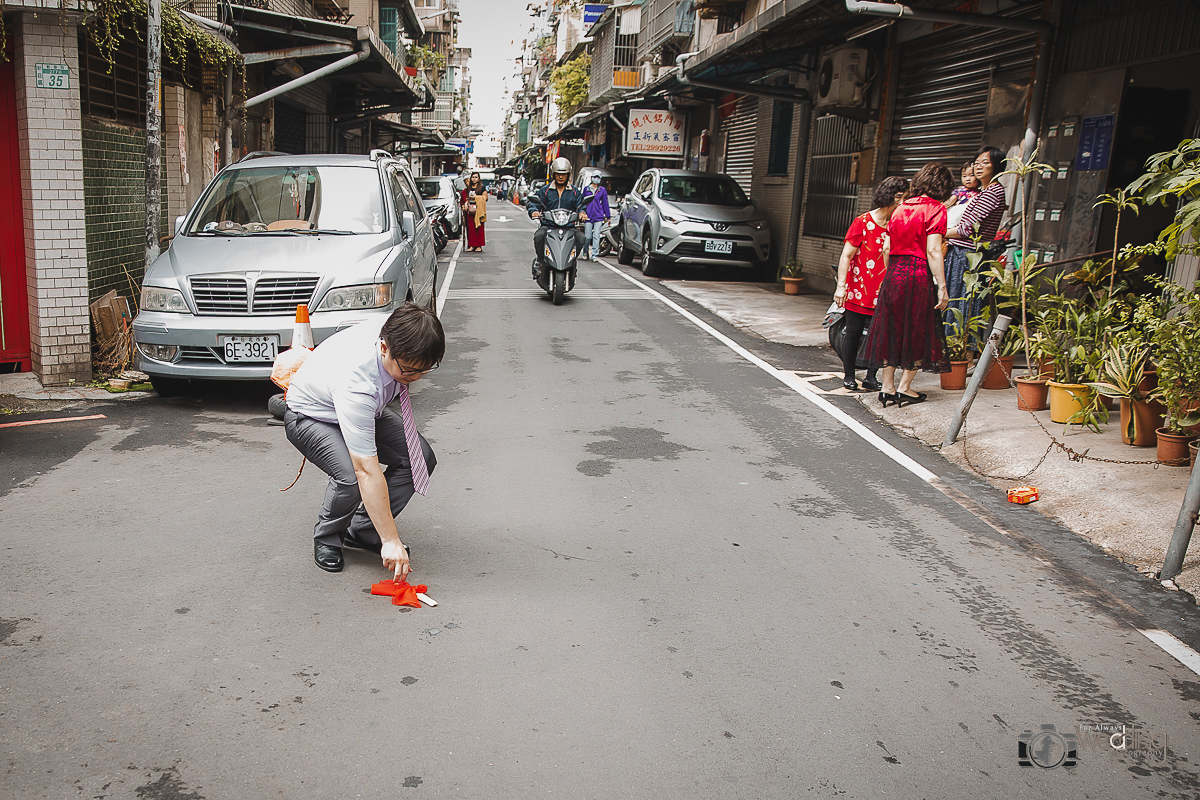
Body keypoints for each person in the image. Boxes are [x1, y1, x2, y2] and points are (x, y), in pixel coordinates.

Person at [283, 303, 445, 576]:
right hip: (312, 415)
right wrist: (392, 540)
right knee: (350, 475)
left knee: (420, 458)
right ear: (384, 348)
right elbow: (366, 471)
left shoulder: (398, 327)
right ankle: (328, 536)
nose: (415, 378)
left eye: (424, 371)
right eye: (409, 370)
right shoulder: (358, 385)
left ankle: (363, 529)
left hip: (365, 409)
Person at [861, 162, 954, 407]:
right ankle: (904, 387)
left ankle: (887, 386)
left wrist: (889, 275)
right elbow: (934, 250)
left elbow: (887, 249)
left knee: (891, 327)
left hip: (894, 273)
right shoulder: (936, 209)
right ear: (942, 187)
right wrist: (942, 287)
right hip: (918, 273)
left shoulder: (900, 209)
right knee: (919, 328)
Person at [833, 176, 909, 393]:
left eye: (905, 198)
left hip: (885, 288)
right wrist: (842, 286)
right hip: (859, 287)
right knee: (853, 331)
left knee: (880, 333)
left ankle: (871, 376)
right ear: (886, 197)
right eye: (898, 198)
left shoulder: (898, 225)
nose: (902, 203)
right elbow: (846, 256)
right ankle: (848, 374)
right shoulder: (862, 222)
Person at [944, 146, 1007, 335]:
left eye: (985, 163)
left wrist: (937, 231)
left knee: (963, 302)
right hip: (962, 254)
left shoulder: (993, 192)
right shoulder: (981, 192)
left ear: (997, 166)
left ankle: (962, 353)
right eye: (976, 163)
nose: (978, 167)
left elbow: (965, 229)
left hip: (969, 256)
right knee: (956, 302)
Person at [527, 157, 588, 279]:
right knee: (539, 236)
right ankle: (540, 261)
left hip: (568, 227)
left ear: (568, 175)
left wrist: (582, 213)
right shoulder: (545, 190)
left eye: (564, 174)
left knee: (581, 238)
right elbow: (534, 203)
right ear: (553, 174)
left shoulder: (575, 192)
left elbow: (581, 205)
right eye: (558, 174)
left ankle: (571, 261)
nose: (561, 177)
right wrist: (534, 211)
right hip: (549, 226)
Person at [944, 160, 980, 232]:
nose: (967, 179)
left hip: (967, 223)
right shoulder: (959, 191)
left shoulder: (980, 194)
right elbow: (950, 201)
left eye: (972, 175)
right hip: (955, 221)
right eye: (964, 176)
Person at [582, 173, 610, 261]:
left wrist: (608, 217)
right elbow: (582, 202)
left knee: (596, 236)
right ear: (592, 178)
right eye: (595, 177)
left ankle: (594, 255)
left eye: (598, 178)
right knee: (587, 237)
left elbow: (605, 203)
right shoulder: (586, 189)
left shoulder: (602, 190)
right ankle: (585, 251)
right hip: (588, 216)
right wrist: (582, 213)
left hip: (598, 216)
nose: (596, 179)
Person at [461, 172, 487, 252]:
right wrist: (465, 204)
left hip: (478, 210)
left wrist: (476, 197)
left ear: (478, 178)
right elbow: (466, 198)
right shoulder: (468, 188)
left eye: (476, 177)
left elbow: (485, 197)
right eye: (473, 177)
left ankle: (479, 246)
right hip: (470, 210)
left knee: (478, 228)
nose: (474, 179)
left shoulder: (481, 188)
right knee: (470, 228)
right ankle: (471, 245)